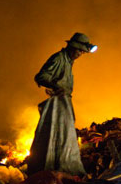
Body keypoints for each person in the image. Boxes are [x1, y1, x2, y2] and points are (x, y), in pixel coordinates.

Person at [27, 33, 97, 176]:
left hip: (64, 101)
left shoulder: (68, 62)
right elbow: (41, 76)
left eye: (82, 52)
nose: (80, 54)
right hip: (57, 103)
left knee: (65, 136)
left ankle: (61, 168)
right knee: (53, 135)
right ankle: (49, 168)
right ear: (72, 47)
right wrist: (54, 86)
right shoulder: (58, 58)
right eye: (79, 51)